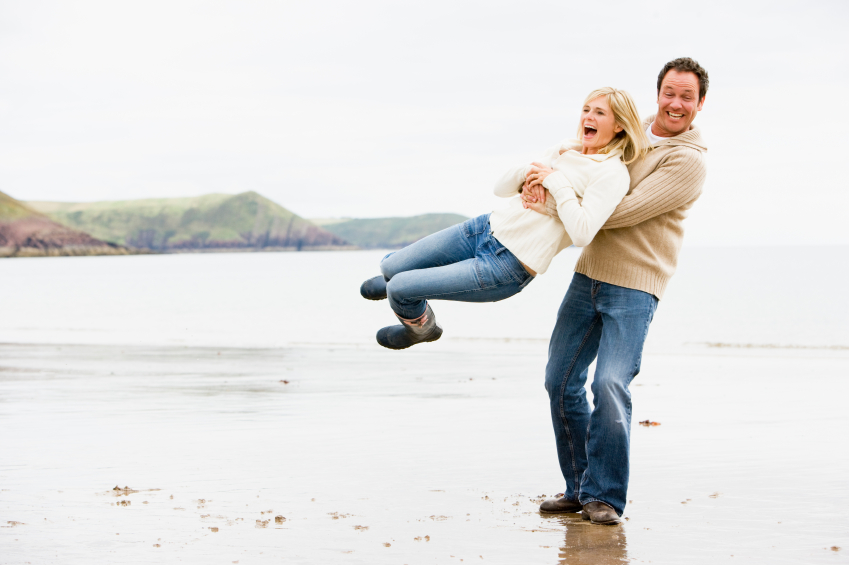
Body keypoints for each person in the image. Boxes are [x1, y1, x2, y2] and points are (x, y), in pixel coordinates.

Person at [532, 57, 709, 525]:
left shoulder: (688, 161)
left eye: (686, 97)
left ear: (700, 104)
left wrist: (557, 196)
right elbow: (578, 165)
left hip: (635, 285)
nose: (675, 103)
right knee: (560, 380)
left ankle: (606, 497)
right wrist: (543, 179)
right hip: (588, 274)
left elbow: (621, 210)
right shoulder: (626, 136)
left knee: (609, 383)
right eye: (669, 92)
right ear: (658, 94)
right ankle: (578, 488)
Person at [359, 87, 649, 350]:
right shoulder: (565, 149)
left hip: (505, 266)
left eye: (600, 113)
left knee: (399, 288)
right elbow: (500, 189)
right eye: (587, 109)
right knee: (390, 266)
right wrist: (528, 174)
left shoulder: (611, 174)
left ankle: (420, 329)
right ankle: (399, 283)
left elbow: (583, 232)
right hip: (482, 229)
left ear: (620, 124)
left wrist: (557, 183)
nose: (589, 117)